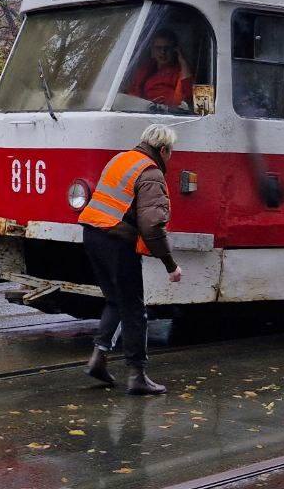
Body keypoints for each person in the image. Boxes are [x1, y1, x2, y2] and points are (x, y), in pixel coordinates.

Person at [78, 124, 183, 395]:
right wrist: (170, 265)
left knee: (116, 300)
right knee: (134, 308)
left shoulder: (121, 159)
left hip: (92, 235)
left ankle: (98, 360)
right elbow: (152, 226)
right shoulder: (150, 172)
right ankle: (137, 375)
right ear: (163, 149)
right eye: (171, 152)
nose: (170, 157)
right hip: (116, 242)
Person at [125, 30, 195, 109]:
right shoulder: (145, 69)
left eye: (167, 48)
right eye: (158, 48)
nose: (163, 52)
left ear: (174, 50)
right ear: (152, 50)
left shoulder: (179, 72)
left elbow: (188, 96)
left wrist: (183, 61)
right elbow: (132, 93)